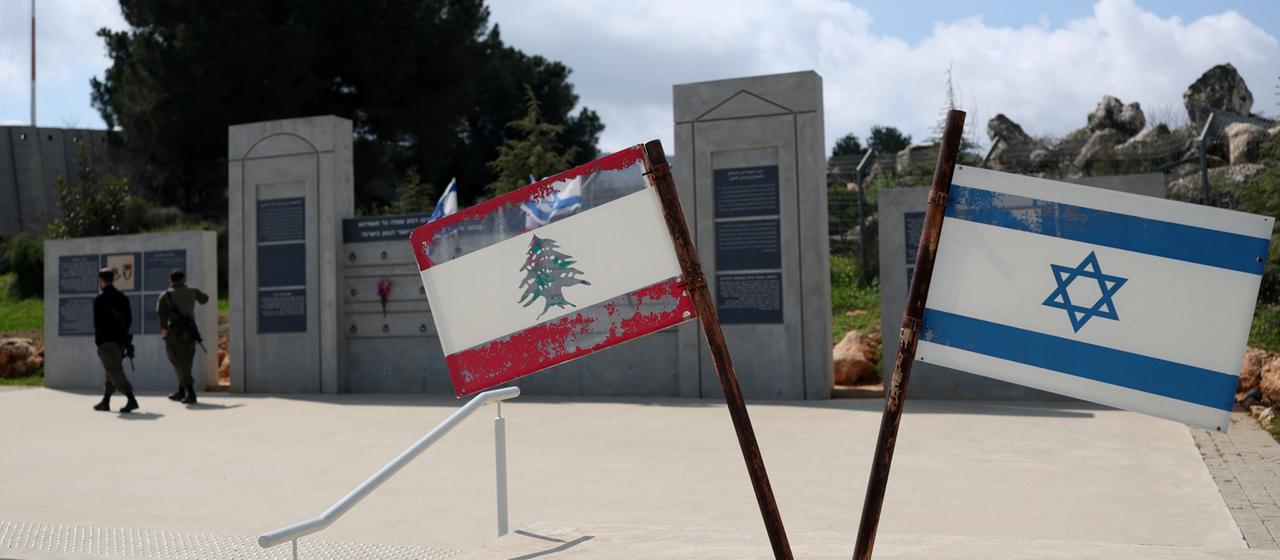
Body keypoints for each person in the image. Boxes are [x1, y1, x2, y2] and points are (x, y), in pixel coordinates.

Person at [157, 269, 209, 404]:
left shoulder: (165, 295)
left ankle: (190, 393)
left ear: (171, 280)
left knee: (176, 360)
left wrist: (164, 334)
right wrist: (194, 291)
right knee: (187, 359)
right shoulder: (192, 291)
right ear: (184, 279)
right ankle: (181, 391)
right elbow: (205, 299)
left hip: (175, 333)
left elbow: (162, 317)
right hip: (190, 332)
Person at [93, 267, 139, 413]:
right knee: (111, 370)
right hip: (119, 342)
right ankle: (106, 401)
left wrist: (99, 341)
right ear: (112, 279)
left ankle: (131, 399)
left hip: (106, 342)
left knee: (114, 370)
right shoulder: (123, 298)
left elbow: (97, 323)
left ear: (101, 281)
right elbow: (129, 321)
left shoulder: (99, 300)